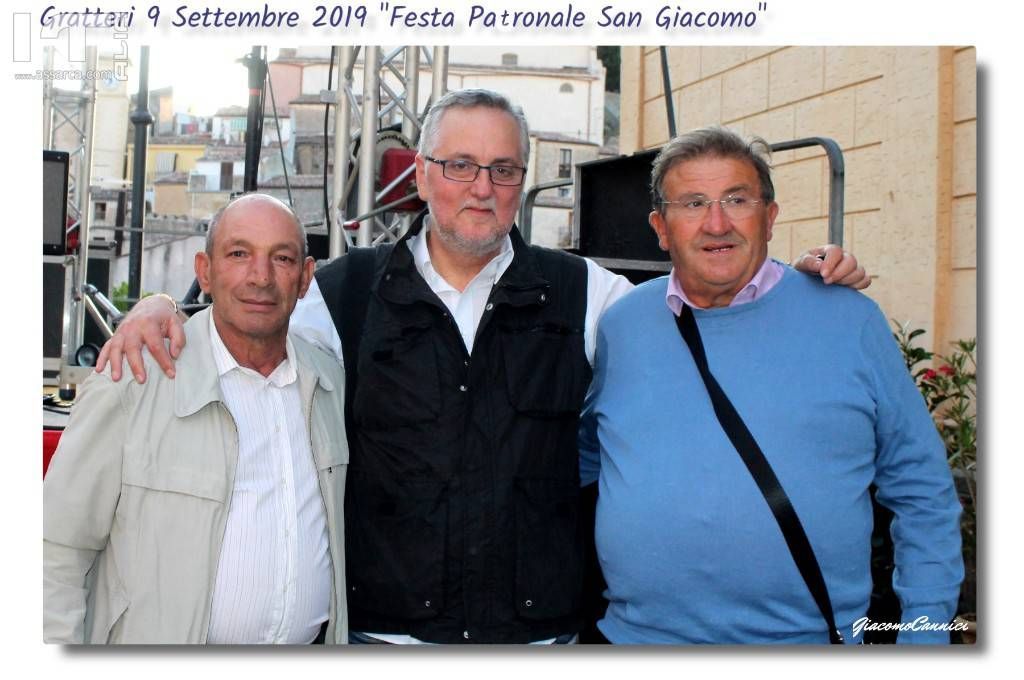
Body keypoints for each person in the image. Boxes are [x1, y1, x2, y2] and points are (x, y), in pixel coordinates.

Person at [94, 89, 869, 644]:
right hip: (386, 642)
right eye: (460, 165)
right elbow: (247, 323)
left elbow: (707, 302)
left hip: (540, 642)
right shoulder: (343, 294)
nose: (481, 188)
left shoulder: (590, 295)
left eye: (502, 169)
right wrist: (162, 310)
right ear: (422, 174)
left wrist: (792, 285)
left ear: (521, 181)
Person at [579, 127, 964, 644]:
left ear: (770, 217)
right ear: (661, 227)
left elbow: (922, 490)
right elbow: (587, 456)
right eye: (693, 203)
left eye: (737, 200)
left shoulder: (848, 320)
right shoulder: (622, 326)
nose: (717, 223)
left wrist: (926, 637)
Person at [44, 194, 350, 644]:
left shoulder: (329, 382)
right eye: (239, 254)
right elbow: (55, 551)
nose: (260, 277)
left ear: (305, 278)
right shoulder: (133, 381)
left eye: (281, 258)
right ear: (205, 271)